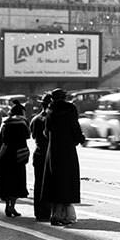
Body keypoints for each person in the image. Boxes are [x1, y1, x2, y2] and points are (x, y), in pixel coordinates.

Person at [40, 88, 85, 226]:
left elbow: (46, 132)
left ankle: (56, 213)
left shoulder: (50, 110)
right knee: (67, 179)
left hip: (53, 150)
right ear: (64, 97)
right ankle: (63, 215)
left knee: (54, 180)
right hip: (67, 150)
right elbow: (75, 126)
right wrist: (79, 139)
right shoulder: (70, 109)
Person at [0, 102, 31, 217]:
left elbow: (0, 140)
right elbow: (27, 136)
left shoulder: (6, 123)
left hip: (6, 154)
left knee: (6, 180)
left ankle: (7, 206)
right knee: (16, 181)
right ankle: (12, 206)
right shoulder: (23, 123)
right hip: (18, 154)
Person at [29, 93, 53, 222]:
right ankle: (48, 211)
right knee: (50, 183)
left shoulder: (35, 119)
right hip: (49, 154)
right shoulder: (51, 119)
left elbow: (33, 136)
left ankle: (39, 212)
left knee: (38, 183)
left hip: (38, 153)